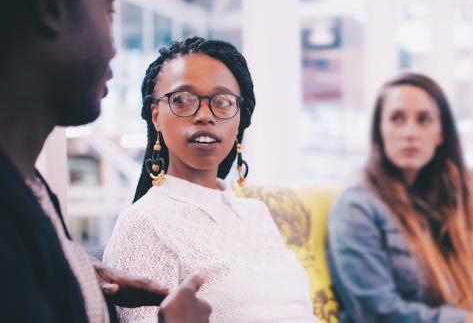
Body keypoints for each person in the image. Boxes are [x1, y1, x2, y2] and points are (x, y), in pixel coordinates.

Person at [0, 0, 210, 322]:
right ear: (51, 8)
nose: (114, 49)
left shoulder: (29, 190)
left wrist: (77, 276)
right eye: (108, 11)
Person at [103, 37, 319, 323]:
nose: (205, 115)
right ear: (156, 115)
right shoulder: (143, 223)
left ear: (239, 118)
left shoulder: (256, 213)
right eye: (181, 100)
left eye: (223, 102)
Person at [327, 73, 473, 323]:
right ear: (380, 130)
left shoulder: (444, 198)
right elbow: (377, 313)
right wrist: (468, 320)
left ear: (441, 134)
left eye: (423, 120)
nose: (409, 133)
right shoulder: (356, 207)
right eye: (397, 119)